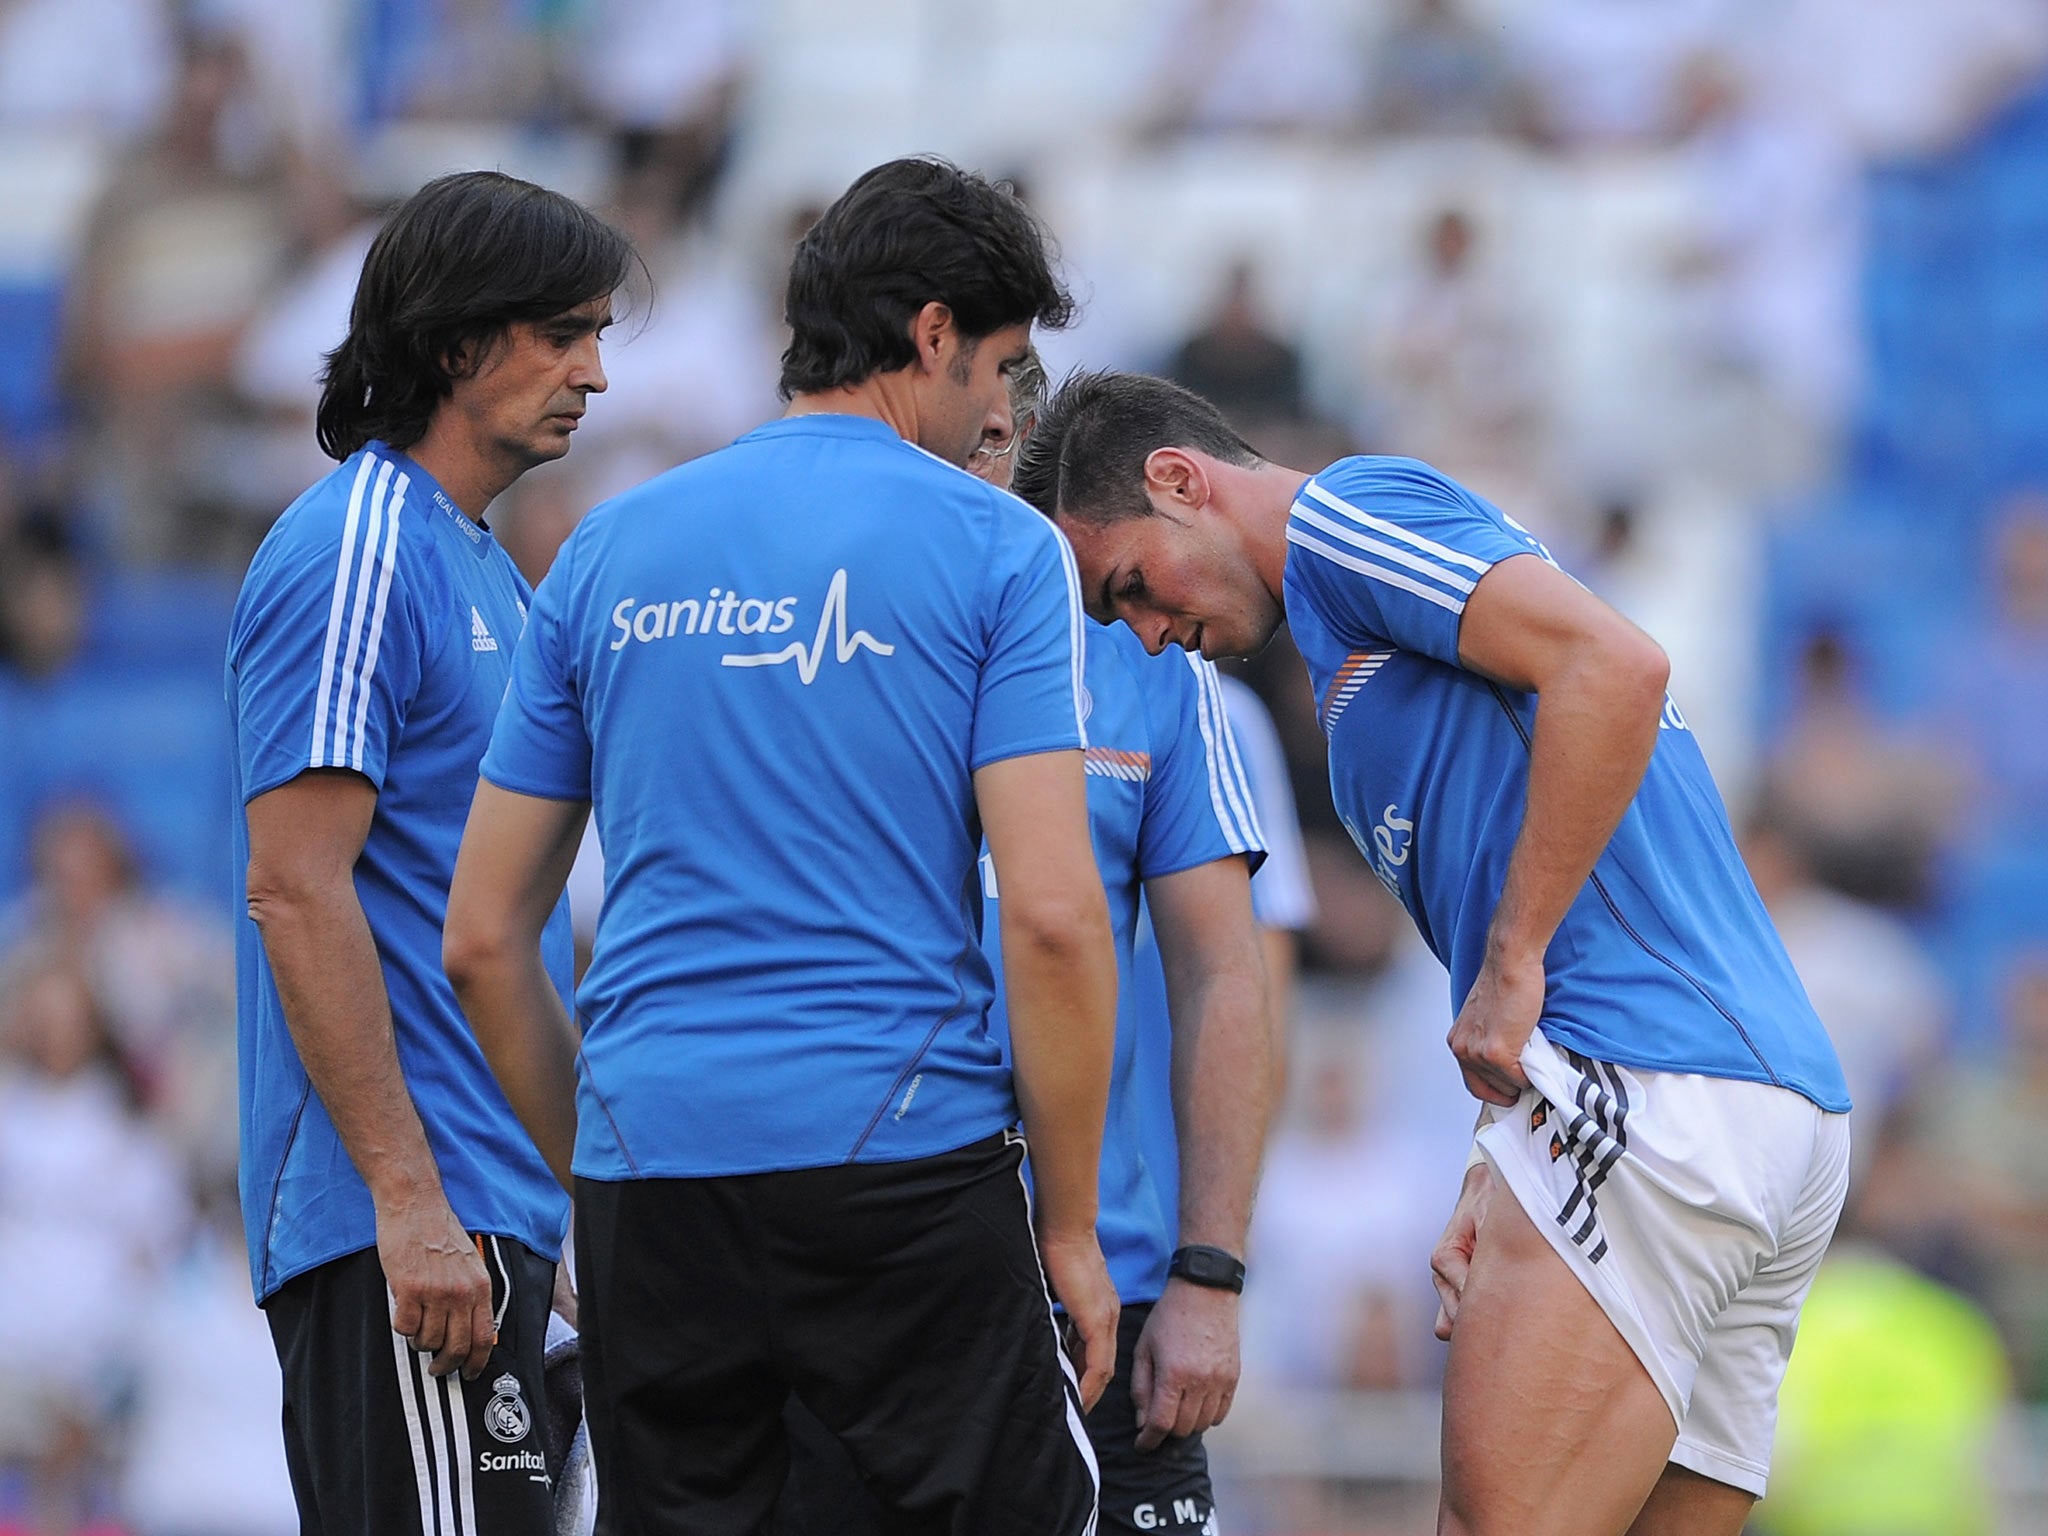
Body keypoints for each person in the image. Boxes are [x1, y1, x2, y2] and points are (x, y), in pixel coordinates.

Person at [1012, 369, 1852, 1536]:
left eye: (1131, 588)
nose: (1148, 635)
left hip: (1646, 1081)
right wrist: (1495, 1144)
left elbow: (1616, 667)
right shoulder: (1355, 645)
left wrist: (1512, 965)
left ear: (1178, 480)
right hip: (1757, 1103)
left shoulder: (1341, 518)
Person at [441, 157, 1116, 1536]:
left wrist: (608, 1154)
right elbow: (1050, 917)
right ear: (931, 336)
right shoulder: (996, 547)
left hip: (652, 1170)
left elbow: (482, 938)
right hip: (903, 1157)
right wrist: (1073, 1228)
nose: (1005, 414)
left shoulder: (602, 549)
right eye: (1002, 369)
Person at [226, 170, 634, 1536]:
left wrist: (553, 1217)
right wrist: (410, 1203)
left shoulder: (490, 576)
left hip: (488, 1222)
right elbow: (295, 884)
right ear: (460, 343)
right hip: (407, 1228)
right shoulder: (355, 547)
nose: (593, 370)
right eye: (565, 331)